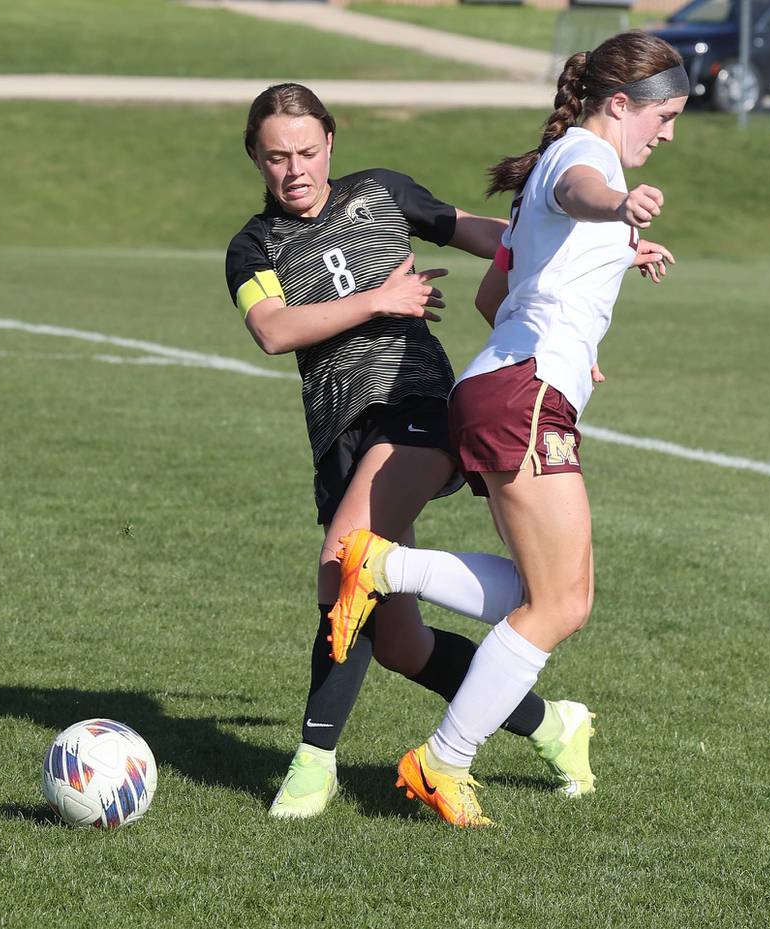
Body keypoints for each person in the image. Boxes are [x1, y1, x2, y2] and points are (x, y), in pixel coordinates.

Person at [330, 32, 688, 826]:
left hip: (508, 384)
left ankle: (384, 568)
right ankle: (440, 760)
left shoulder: (552, 166)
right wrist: (617, 207)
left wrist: (593, 294)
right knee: (557, 604)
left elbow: (499, 299)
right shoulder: (581, 160)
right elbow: (582, 193)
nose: (668, 133)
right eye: (664, 115)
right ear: (621, 104)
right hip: (522, 393)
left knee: (555, 596)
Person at [225, 83, 589, 821]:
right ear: (256, 159)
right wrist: (375, 300)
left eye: (305, 151)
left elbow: (488, 234)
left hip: (416, 410)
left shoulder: (382, 193)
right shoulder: (251, 246)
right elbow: (272, 328)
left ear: (331, 140)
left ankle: (313, 764)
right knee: (399, 641)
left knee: (344, 562)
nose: (293, 169)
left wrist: (597, 243)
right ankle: (553, 724)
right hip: (338, 435)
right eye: (275, 157)